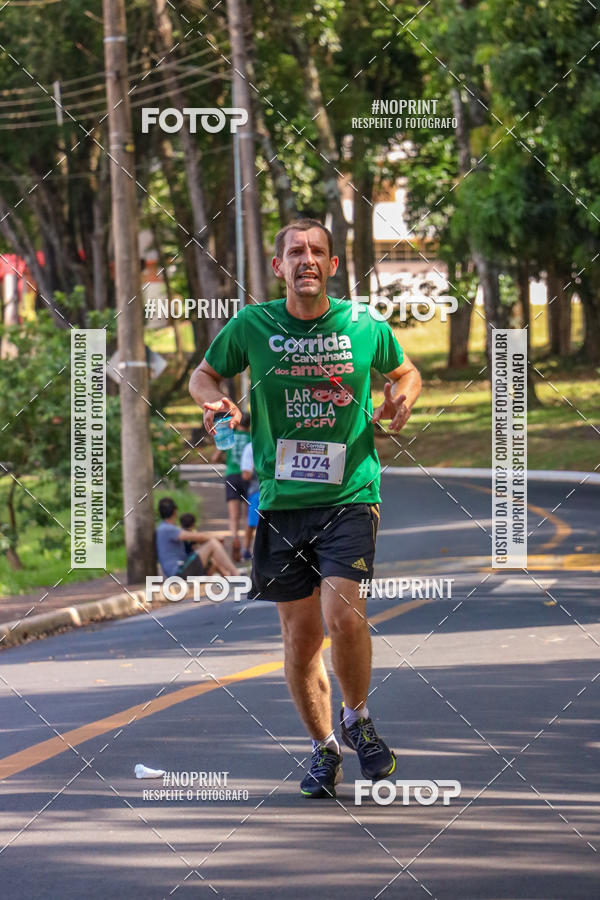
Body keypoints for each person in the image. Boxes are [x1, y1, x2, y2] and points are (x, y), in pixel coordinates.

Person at [189, 218, 422, 799]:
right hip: (280, 502)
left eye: (318, 251)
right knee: (299, 639)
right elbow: (204, 374)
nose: (307, 259)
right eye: (296, 252)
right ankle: (324, 749)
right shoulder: (253, 325)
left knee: (343, 617)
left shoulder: (364, 324)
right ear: (279, 267)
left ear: (334, 265)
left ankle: (358, 719)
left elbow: (406, 371)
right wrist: (213, 400)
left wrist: (402, 397)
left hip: (350, 496)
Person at [155, 497, 239, 579]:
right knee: (212, 544)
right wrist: (216, 538)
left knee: (213, 558)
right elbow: (198, 537)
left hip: (179, 570)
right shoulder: (167, 529)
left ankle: (227, 576)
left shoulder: (163, 528)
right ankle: (236, 574)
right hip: (178, 573)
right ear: (175, 511)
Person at [212, 412, 251, 561]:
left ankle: (234, 538)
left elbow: (215, 457)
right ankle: (246, 547)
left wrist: (226, 460)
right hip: (248, 477)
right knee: (247, 515)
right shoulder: (251, 438)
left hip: (232, 476)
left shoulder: (229, 436)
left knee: (234, 515)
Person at [240, 440, 260, 559]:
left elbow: (246, 475)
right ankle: (247, 550)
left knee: (254, 522)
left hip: (257, 490)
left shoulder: (251, 446)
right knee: (255, 522)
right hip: (276, 490)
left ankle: (247, 550)